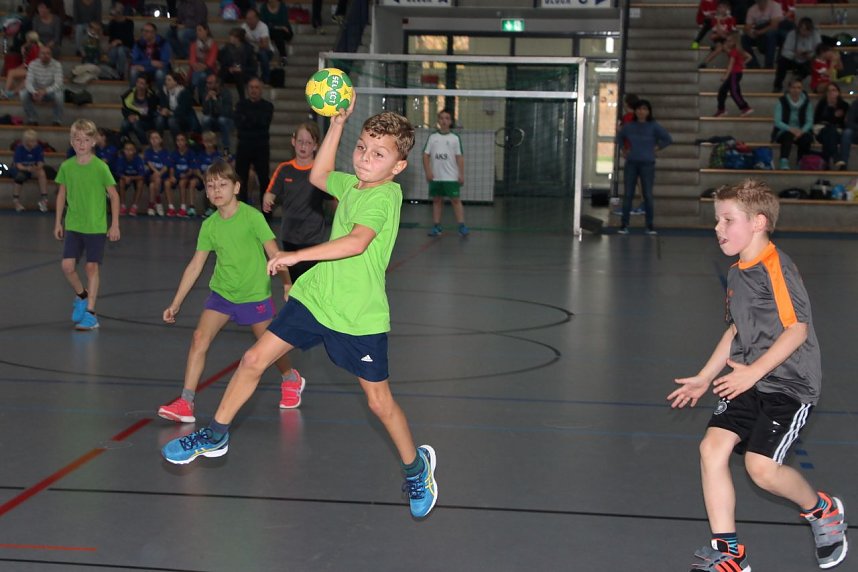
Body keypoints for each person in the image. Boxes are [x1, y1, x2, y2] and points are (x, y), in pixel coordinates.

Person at [160, 98, 439, 521]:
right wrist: (338, 125)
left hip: (357, 316)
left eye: (378, 154)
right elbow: (322, 173)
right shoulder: (352, 184)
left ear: (398, 166)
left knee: (380, 403)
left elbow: (356, 243)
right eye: (362, 147)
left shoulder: (385, 198)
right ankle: (215, 434)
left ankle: (417, 469)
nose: (365, 158)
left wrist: (296, 256)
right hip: (314, 299)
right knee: (254, 359)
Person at [667, 178, 848, 572]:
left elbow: (797, 329)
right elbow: (736, 332)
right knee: (711, 450)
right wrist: (703, 377)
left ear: (759, 222)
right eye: (717, 220)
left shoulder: (776, 267)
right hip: (749, 376)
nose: (718, 228)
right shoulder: (736, 272)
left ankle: (822, 511)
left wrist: (752, 374)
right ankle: (729, 554)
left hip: (789, 385)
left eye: (727, 220)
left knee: (761, 469)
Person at [157, 159, 304, 423]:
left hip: (253, 295)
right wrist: (176, 302)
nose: (216, 190)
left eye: (222, 185)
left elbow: (274, 252)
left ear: (236, 187)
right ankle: (186, 402)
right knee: (199, 338)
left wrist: (286, 282)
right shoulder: (210, 225)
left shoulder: (252, 217)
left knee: (268, 351)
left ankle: (291, 378)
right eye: (211, 186)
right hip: (222, 294)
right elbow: (195, 266)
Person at [53, 119, 120, 331]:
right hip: (74, 224)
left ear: (94, 142)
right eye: (77, 140)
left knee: (91, 267)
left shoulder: (101, 168)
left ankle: (91, 313)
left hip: (96, 226)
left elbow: (114, 196)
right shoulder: (66, 167)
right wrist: (58, 222)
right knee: (67, 266)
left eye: (86, 140)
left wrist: (115, 224)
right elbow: (62, 194)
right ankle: (82, 295)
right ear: (72, 142)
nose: (81, 143)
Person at [262, 121, 332, 284]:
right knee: (293, 281)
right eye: (300, 141)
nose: (303, 146)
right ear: (293, 141)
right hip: (290, 234)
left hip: (313, 236)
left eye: (308, 143)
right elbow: (271, 191)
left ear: (315, 146)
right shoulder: (284, 169)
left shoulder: (321, 172)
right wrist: (268, 198)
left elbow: (333, 199)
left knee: (309, 280)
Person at [616, 99, 672, 235]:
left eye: (644, 109)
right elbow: (619, 137)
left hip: (647, 163)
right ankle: (624, 224)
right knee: (628, 194)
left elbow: (668, 139)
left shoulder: (654, 126)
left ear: (648, 111)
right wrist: (624, 149)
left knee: (647, 194)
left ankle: (649, 225)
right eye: (639, 109)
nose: (641, 112)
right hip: (631, 163)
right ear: (635, 111)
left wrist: (657, 148)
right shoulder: (629, 126)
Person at [424, 108, 468, 237]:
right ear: (438, 120)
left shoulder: (455, 138)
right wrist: (428, 171)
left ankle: (461, 226)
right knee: (437, 200)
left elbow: (459, 157)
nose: (444, 121)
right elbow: (425, 155)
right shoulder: (432, 137)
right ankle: (437, 226)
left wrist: (461, 174)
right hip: (436, 176)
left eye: (447, 118)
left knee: (455, 200)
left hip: (451, 176)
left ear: (451, 121)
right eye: (442, 118)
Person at [234, 77, 273, 206]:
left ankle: (266, 212)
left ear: (261, 89)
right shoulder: (240, 105)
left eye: (256, 87)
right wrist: (253, 120)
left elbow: (263, 122)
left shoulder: (268, 106)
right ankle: (241, 209)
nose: (254, 90)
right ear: (247, 89)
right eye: (251, 87)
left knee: (264, 179)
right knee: (241, 179)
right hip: (244, 145)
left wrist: (248, 119)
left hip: (261, 146)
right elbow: (240, 123)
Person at [771, 78, 812, 169]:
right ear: (789, 89)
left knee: (806, 138)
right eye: (793, 87)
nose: (796, 90)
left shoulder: (807, 102)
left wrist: (801, 131)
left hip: (801, 130)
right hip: (784, 130)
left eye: (799, 88)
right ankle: (784, 160)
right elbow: (777, 121)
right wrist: (791, 129)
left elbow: (809, 121)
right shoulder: (781, 101)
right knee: (788, 136)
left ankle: (801, 161)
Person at [772, 17, 820, 92]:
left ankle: (797, 79)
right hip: (793, 59)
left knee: (813, 63)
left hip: (807, 60)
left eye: (807, 30)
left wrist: (809, 55)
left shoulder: (815, 35)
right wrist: (795, 54)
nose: (804, 32)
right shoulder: (792, 34)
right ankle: (777, 86)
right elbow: (785, 51)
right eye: (802, 29)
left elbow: (819, 51)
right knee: (782, 61)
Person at [20, 44, 63, 126]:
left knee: (59, 95)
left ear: (51, 55)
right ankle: (32, 118)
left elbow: (58, 84)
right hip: (36, 91)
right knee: (23, 94)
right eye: (43, 53)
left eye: (48, 53)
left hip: (50, 91)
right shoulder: (33, 64)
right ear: (39, 55)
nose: (45, 55)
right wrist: (34, 92)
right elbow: (28, 82)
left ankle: (57, 120)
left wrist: (45, 91)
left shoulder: (57, 65)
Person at [714, 32, 753, 118]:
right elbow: (749, 57)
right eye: (727, 41)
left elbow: (730, 65)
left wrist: (725, 76)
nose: (728, 43)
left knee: (734, 92)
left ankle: (745, 108)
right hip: (736, 74)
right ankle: (721, 110)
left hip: (734, 74)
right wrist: (743, 63)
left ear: (735, 42)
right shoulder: (737, 51)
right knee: (722, 91)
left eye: (730, 41)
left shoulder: (734, 52)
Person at [10, 128, 49, 212]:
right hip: (21, 169)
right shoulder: (19, 149)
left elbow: (40, 162)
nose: (35, 143)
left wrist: (37, 167)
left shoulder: (38, 148)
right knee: (19, 176)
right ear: (27, 142)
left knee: (41, 172)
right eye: (33, 141)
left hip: (32, 169)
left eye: (35, 141)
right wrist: (28, 168)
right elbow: (19, 165)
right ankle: (16, 201)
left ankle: (44, 200)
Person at [813, 82, 849, 170]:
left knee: (831, 131)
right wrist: (831, 110)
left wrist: (834, 117)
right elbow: (816, 121)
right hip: (821, 130)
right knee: (829, 130)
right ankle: (836, 157)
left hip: (838, 132)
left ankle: (826, 162)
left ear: (838, 92)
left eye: (834, 90)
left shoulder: (844, 105)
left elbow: (845, 124)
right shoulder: (822, 104)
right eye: (829, 91)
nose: (831, 93)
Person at [155, 72, 201, 138]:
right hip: (169, 116)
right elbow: (163, 105)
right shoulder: (164, 91)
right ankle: (158, 141)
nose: (166, 82)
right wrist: (163, 110)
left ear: (175, 82)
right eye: (165, 80)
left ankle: (178, 143)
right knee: (159, 119)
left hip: (183, 118)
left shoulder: (184, 92)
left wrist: (170, 113)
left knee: (172, 121)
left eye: (169, 80)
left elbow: (183, 111)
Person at [165, 132, 198, 217]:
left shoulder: (191, 153)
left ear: (186, 141)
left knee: (182, 182)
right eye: (178, 140)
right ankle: (171, 207)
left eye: (182, 140)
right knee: (167, 183)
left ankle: (183, 208)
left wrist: (186, 175)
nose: (180, 142)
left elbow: (192, 169)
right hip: (177, 176)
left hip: (187, 176)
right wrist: (172, 176)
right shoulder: (174, 153)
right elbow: (171, 167)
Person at [218, 28, 256, 102]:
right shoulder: (226, 48)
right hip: (230, 73)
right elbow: (222, 62)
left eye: (232, 36)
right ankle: (219, 96)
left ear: (238, 38)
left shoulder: (248, 49)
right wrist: (229, 68)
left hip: (244, 73)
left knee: (238, 74)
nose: (230, 38)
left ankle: (242, 99)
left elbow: (253, 67)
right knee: (221, 73)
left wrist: (241, 69)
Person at [742, 0, 783, 68]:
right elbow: (747, 26)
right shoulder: (752, 9)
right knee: (743, 38)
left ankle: (769, 66)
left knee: (771, 34)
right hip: (758, 35)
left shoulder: (775, 6)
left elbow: (774, 26)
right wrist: (750, 33)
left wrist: (759, 32)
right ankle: (753, 65)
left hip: (773, 35)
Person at [130, 22, 172, 88]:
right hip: (144, 70)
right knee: (133, 71)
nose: (144, 33)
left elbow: (163, 63)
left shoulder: (163, 43)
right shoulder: (138, 44)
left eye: (147, 31)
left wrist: (146, 68)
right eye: (143, 30)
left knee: (160, 74)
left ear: (154, 33)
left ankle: (162, 96)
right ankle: (132, 95)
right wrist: (150, 62)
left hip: (158, 70)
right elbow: (134, 61)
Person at [697, 0, 736, 69]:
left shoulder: (731, 19)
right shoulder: (715, 19)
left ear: (728, 9)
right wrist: (718, 21)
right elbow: (718, 31)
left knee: (725, 47)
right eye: (720, 7)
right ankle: (704, 63)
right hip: (719, 37)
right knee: (719, 47)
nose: (721, 9)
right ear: (717, 9)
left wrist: (724, 35)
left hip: (727, 38)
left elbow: (731, 32)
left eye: (724, 7)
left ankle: (734, 64)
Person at [120, 75, 159, 145]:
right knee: (124, 125)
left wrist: (138, 117)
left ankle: (145, 145)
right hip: (132, 117)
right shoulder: (129, 94)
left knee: (136, 124)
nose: (139, 85)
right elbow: (124, 109)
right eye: (138, 82)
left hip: (147, 120)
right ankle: (127, 145)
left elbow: (152, 114)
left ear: (147, 85)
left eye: (142, 83)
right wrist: (129, 116)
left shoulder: (152, 96)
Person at [200, 74, 234, 152]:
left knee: (222, 119)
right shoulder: (206, 93)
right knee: (205, 119)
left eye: (210, 83)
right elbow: (204, 112)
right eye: (207, 83)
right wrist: (206, 100)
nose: (208, 85)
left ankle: (226, 148)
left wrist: (215, 101)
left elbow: (225, 112)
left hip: (227, 120)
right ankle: (207, 146)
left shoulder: (226, 94)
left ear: (217, 84)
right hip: (214, 120)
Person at [2, 30, 41, 99]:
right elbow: (26, 61)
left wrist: (17, 69)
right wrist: (23, 52)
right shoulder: (33, 47)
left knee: (11, 72)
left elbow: (28, 64)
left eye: (27, 39)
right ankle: (10, 93)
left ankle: (6, 92)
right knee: (24, 79)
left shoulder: (35, 48)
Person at [144, 130, 174, 216]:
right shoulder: (148, 151)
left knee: (152, 186)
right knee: (156, 178)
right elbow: (149, 164)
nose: (154, 140)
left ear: (161, 140)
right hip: (150, 176)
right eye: (152, 138)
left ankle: (151, 205)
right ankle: (158, 201)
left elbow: (166, 166)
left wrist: (159, 173)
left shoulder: (165, 152)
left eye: (156, 138)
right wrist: (156, 172)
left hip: (161, 176)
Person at [242, 9, 273, 85]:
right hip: (250, 51)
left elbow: (265, 45)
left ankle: (266, 79)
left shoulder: (263, 27)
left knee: (263, 55)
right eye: (247, 19)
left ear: (257, 19)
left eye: (251, 19)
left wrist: (251, 41)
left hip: (266, 51)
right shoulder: (243, 27)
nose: (249, 21)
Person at [188, 23, 218, 103]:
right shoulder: (193, 45)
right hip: (196, 69)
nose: (197, 32)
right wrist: (196, 66)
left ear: (206, 31)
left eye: (200, 30)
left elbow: (211, 61)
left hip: (209, 70)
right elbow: (192, 60)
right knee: (199, 75)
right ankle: (201, 100)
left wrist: (203, 66)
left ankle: (199, 99)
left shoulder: (213, 44)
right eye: (197, 30)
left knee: (201, 76)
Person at [115, 140, 146, 215]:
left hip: (135, 178)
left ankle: (134, 206)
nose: (128, 151)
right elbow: (118, 173)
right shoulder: (121, 159)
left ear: (134, 151)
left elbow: (142, 175)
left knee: (140, 182)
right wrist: (125, 177)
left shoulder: (138, 159)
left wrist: (131, 178)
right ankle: (122, 205)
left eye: (130, 149)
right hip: (125, 177)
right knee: (121, 181)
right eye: (126, 149)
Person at [259, 0, 292, 66]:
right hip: (270, 31)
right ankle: (283, 56)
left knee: (278, 34)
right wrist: (277, 27)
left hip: (285, 31)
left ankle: (283, 57)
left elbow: (284, 22)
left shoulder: (282, 6)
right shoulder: (264, 7)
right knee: (277, 33)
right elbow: (263, 23)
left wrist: (273, 25)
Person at [106, 3, 135, 80]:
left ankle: (120, 73)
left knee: (121, 50)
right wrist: (111, 44)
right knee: (114, 51)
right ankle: (113, 71)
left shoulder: (129, 23)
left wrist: (119, 41)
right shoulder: (112, 23)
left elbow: (130, 39)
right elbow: (111, 38)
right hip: (115, 47)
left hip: (127, 46)